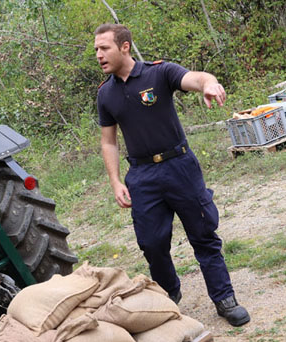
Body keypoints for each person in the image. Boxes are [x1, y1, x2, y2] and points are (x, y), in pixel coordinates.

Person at [94, 23, 250, 326]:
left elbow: (197, 77)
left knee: (203, 234)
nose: (99, 55)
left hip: (180, 167)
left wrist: (209, 84)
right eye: (96, 50)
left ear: (124, 47)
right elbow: (108, 141)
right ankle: (170, 295)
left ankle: (224, 298)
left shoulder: (159, 73)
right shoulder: (106, 94)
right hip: (142, 175)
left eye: (105, 48)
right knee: (152, 243)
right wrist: (115, 180)